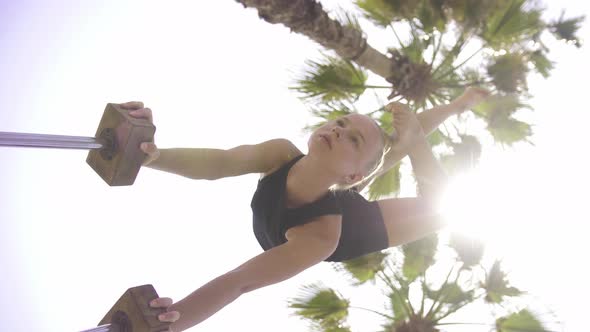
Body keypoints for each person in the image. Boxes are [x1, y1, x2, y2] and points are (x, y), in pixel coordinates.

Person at [123, 87, 490, 331]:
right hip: (330, 187)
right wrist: (152, 156)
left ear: (353, 175)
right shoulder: (280, 153)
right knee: (386, 146)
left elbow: (239, 281)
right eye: (340, 123)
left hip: (350, 228)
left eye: (351, 137)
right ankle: (445, 113)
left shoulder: (323, 234)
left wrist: (173, 321)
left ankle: (425, 131)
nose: (337, 129)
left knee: (439, 208)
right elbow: (219, 163)